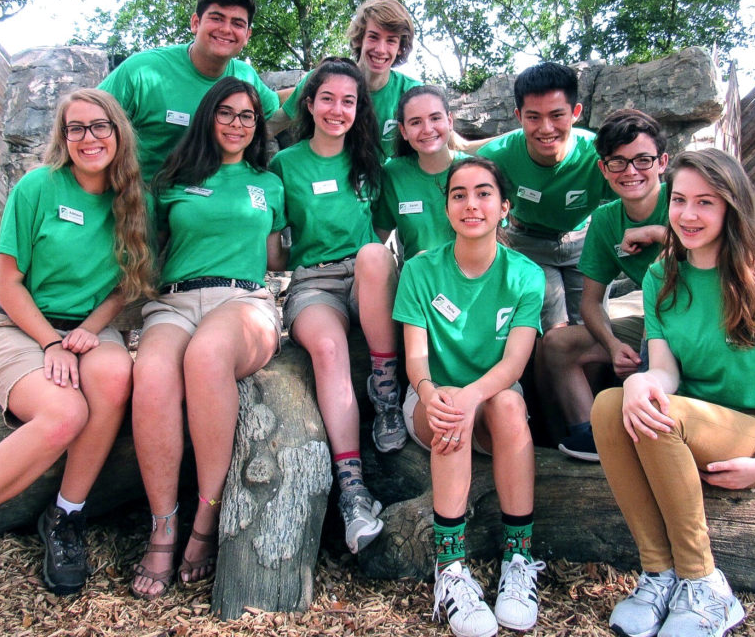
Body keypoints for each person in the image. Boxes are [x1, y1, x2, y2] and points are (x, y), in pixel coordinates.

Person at [0, 89, 153, 629]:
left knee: (115, 376)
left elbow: (125, 286)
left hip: (87, 330)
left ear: (119, 132)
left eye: (100, 126)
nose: (89, 138)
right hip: (18, 325)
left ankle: (65, 516)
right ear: (63, 138)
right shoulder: (38, 186)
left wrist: (87, 330)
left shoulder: (133, 197)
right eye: (76, 129)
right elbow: (7, 283)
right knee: (65, 414)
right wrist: (51, 343)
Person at [591, 148, 755, 637]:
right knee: (610, 404)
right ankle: (660, 574)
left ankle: (704, 584)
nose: (688, 215)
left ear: (731, 207)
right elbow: (666, 372)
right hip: (687, 425)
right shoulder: (662, 274)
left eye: (705, 202)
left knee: (662, 415)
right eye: (679, 200)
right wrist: (640, 381)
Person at [128, 77, 285, 599]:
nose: (237, 123)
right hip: (174, 300)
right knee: (150, 374)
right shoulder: (171, 178)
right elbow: (148, 250)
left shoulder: (269, 182)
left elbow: (279, 256)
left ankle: (204, 517)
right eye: (226, 112)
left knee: (206, 355)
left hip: (245, 302)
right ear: (206, 117)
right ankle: (163, 524)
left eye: (247, 116)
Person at [393, 157, 546, 637]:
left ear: (504, 207)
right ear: (447, 208)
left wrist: (469, 397)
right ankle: (451, 568)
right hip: (430, 404)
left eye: (483, 193)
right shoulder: (420, 271)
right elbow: (416, 359)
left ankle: (519, 558)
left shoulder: (525, 275)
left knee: (507, 400)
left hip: (493, 406)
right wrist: (432, 393)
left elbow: (513, 366)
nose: (471, 204)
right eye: (458, 194)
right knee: (451, 407)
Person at [268, 57, 400, 553]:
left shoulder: (372, 161)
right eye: (327, 98)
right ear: (309, 102)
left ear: (359, 108)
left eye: (349, 101)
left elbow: (385, 233)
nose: (337, 109)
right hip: (313, 282)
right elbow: (277, 246)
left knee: (371, 254)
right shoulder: (285, 164)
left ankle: (386, 397)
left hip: (367, 275)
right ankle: (352, 489)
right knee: (326, 348)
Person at [541, 109, 669, 460]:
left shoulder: (684, 200)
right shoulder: (605, 219)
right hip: (651, 328)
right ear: (603, 169)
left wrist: (659, 234)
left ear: (662, 162)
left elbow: (724, 255)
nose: (630, 172)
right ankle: (589, 435)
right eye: (618, 162)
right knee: (557, 343)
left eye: (643, 160)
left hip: (701, 329)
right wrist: (612, 345)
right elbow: (591, 303)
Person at [476, 61, 614, 330]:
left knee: (593, 328)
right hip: (528, 242)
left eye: (557, 115)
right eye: (534, 117)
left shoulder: (596, 153)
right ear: (519, 116)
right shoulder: (498, 156)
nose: (546, 128)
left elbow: (628, 200)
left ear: (575, 112)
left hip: (584, 241)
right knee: (554, 329)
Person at [99, 0, 280, 184]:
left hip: (204, 205)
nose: (226, 29)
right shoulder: (142, 71)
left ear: (247, 35)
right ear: (195, 23)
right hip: (139, 202)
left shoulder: (245, 76)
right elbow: (87, 120)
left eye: (237, 23)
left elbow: (276, 106)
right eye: (217, 18)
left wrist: (314, 83)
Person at [276, 0, 421, 160]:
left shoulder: (411, 93)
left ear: (401, 47)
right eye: (373, 37)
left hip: (379, 182)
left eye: (391, 41)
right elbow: (275, 123)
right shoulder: (323, 79)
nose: (381, 49)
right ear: (360, 38)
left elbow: (443, 133)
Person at [372, 85, 458, 260]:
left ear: (449, 121)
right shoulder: (393, 174)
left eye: (435, 118)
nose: (427, 129)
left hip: (471, 278)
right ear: (403, 130)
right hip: (417, 278)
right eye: (416, 122)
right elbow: (378, 237)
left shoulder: (475, 170)